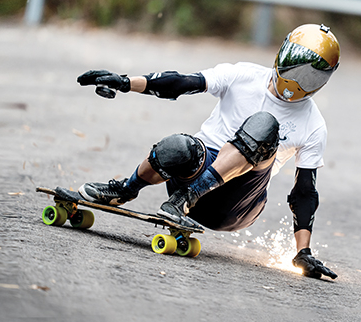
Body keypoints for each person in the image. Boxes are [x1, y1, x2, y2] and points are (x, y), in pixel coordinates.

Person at [76, 24, 338, 280]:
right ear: (283, 54)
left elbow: (304, 191)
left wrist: (303, 252)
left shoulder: (313, 125)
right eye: (295, 69)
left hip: (236, 202)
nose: (297, 81)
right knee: (177, 146)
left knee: (265, 124)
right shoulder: (243, 74)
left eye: (310, 78)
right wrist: (124, 82)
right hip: (191, 180)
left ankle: (186, 199)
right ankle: (125, 190)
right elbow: (181, 82)